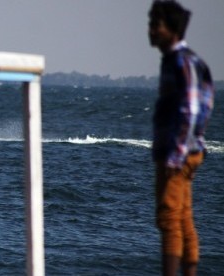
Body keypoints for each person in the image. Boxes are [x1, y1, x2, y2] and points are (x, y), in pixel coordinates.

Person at [148, 1, 214, 275]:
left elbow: (193, 108)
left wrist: (177, 153)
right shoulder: (178, 61)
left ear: (172, 29)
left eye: (155, 24)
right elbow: (204, 104)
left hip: (179, 153)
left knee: (169, 217)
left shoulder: (182, 61)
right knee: (183, 217)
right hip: (183, 150)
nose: (150, 30)